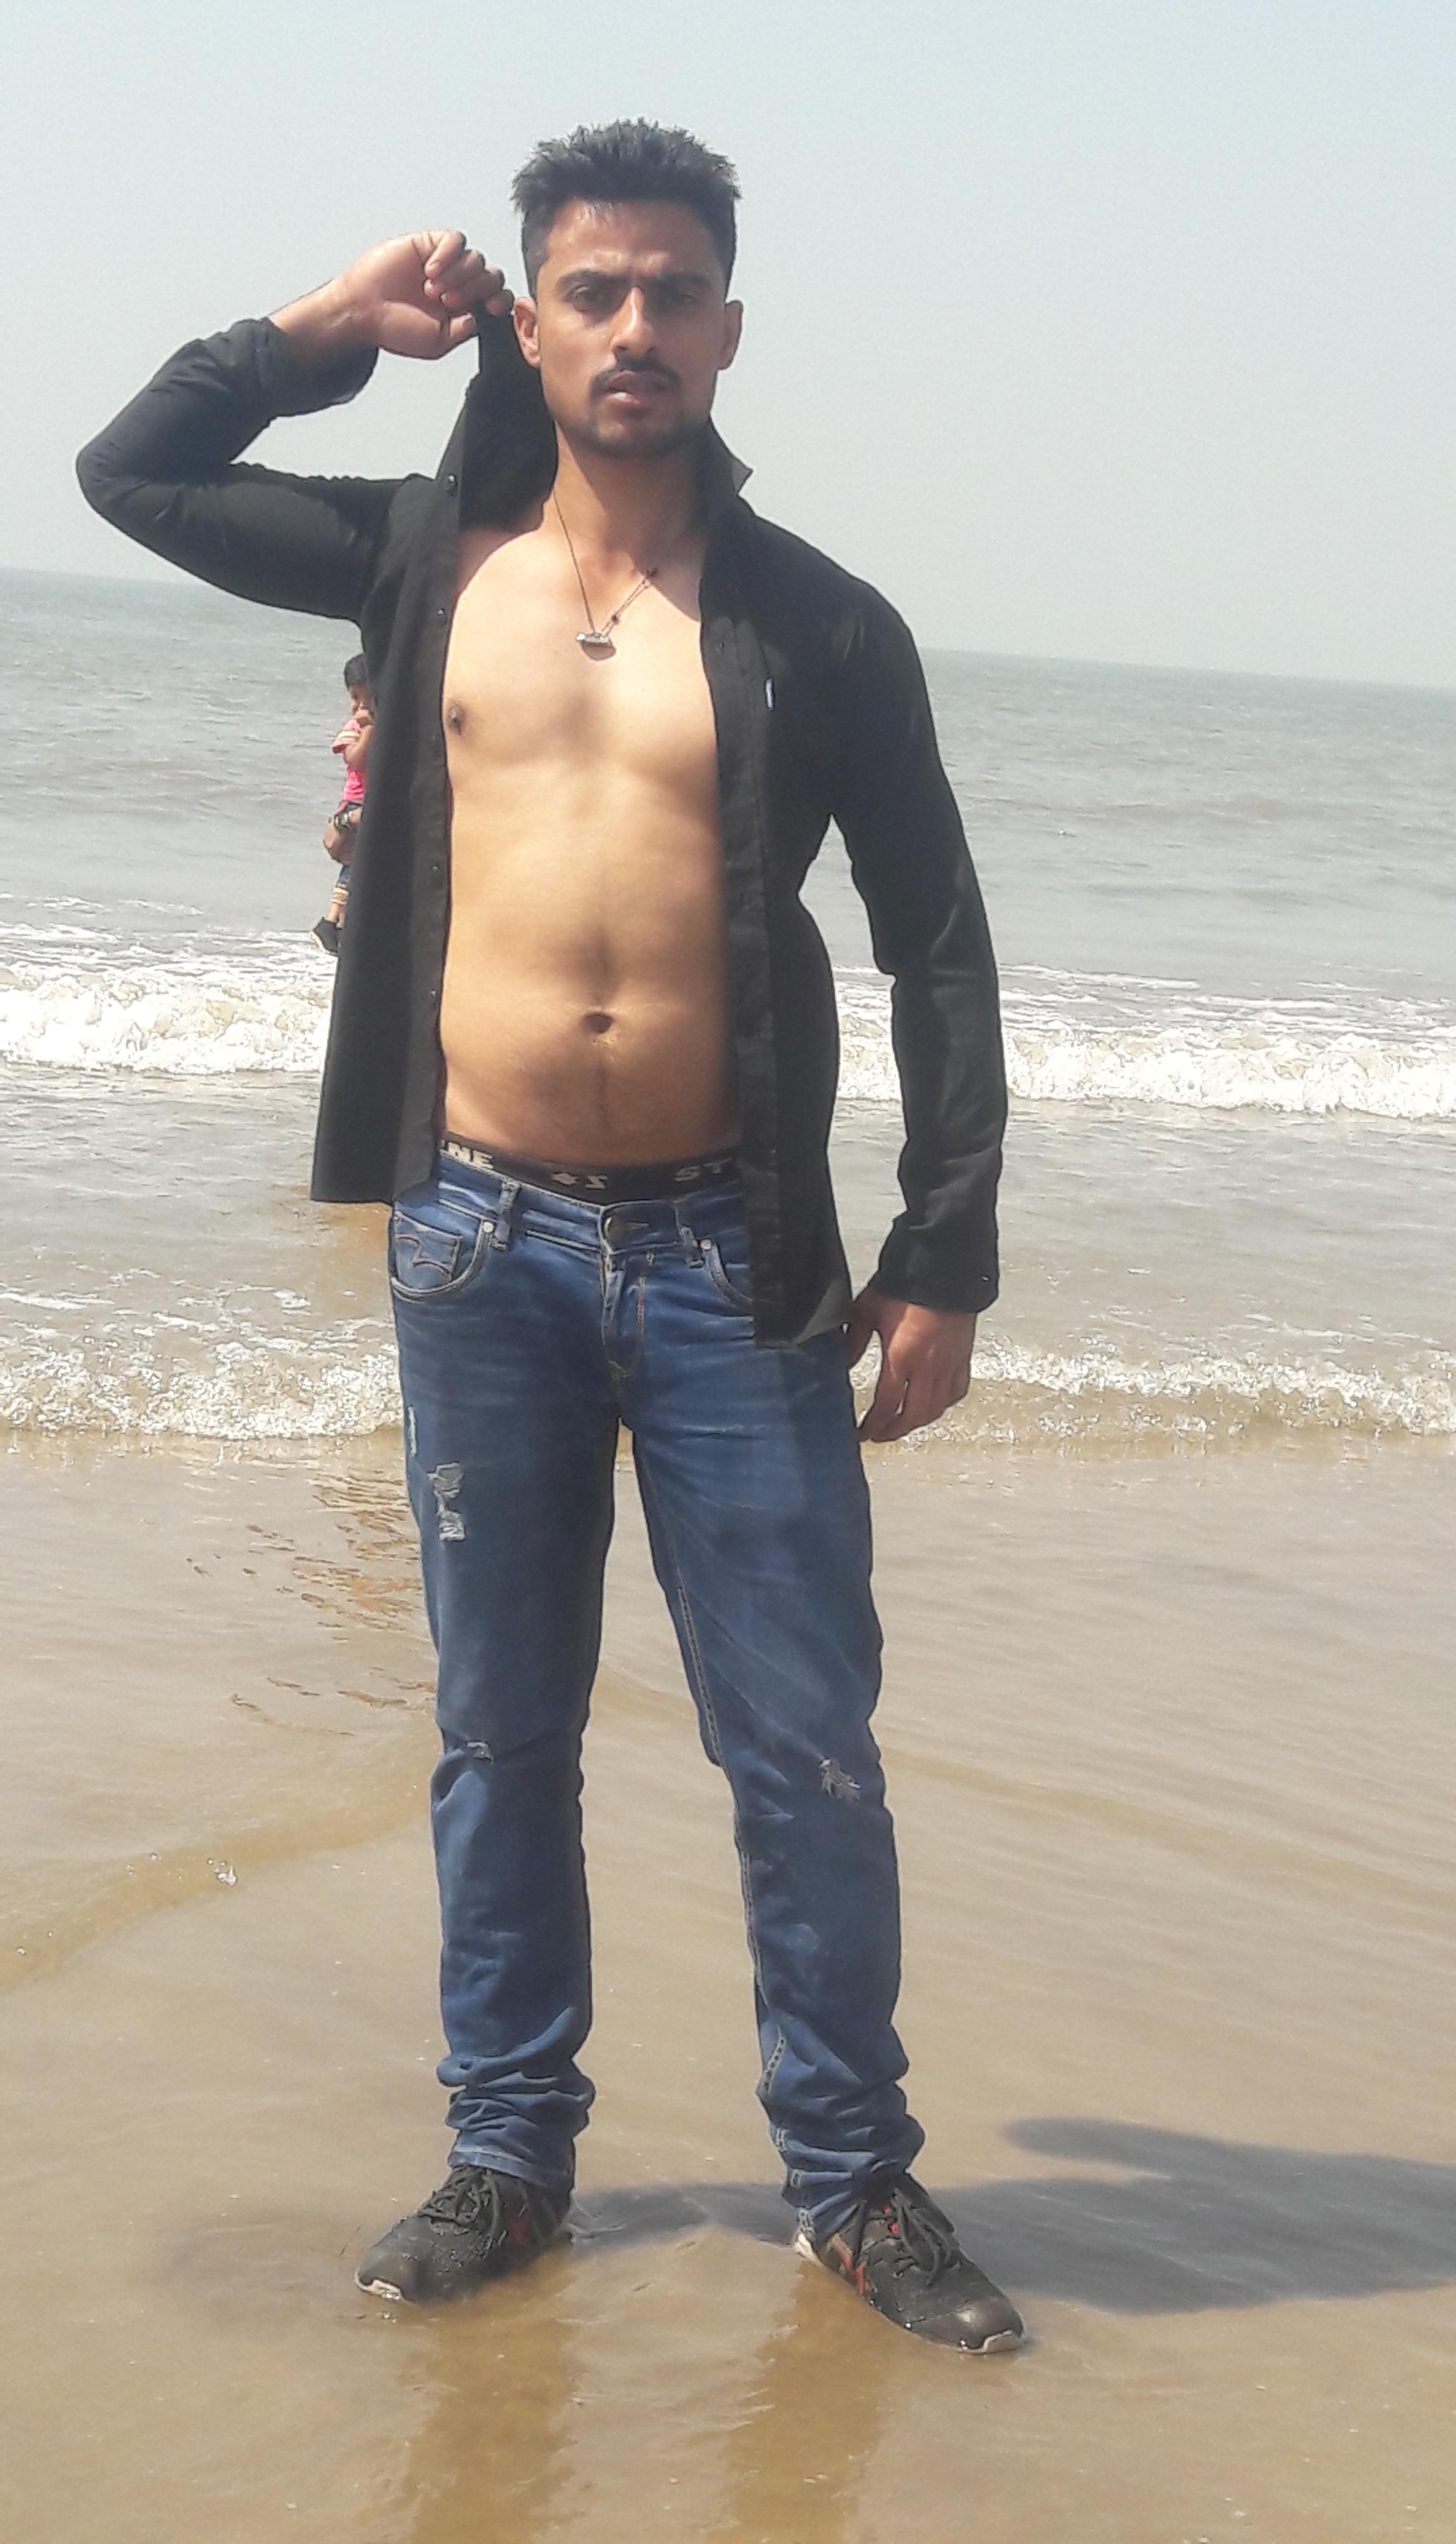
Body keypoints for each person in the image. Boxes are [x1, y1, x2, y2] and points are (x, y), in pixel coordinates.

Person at [77, 120, 1022, 2353]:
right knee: (500, 1731)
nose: (634, 327)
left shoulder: (819, 623)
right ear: (528, 320)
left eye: (673, 291)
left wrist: (946, 1249)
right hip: (475, 1243)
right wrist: (325, 326)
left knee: (804, 1743)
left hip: (735, 1262)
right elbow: (137, 473)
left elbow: (940, 939)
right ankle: (508, 2155)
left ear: (728, 327)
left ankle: (853, 2183)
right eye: (592, 290)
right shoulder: (421, 561)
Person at [312, 652, 373, 955]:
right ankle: (331, 920)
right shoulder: (354, 729)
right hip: (356, 803)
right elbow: (355, 760)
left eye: (366, 698)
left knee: (362, 864)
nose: (359, 706)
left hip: (374, 801)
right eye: (354, 698)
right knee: (355, 861)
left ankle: (342, 925)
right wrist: (370, 729)